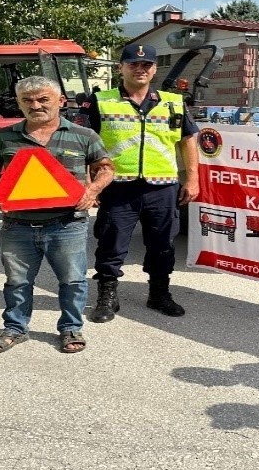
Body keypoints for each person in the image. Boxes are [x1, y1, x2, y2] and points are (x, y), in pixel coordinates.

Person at [0, 76, 114, 354]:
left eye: (43, 99)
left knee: (73, 281)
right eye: (27, 101)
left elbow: (106, 167)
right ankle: (15, 328)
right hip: (17, 224)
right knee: (17, 282)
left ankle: (71, 327)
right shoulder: (4, 137)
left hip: (67, 224)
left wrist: (93, 189)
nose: (35, 105)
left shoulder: (84, 135)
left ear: (60, 101)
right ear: (19, 104)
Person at [85, 43, 200, 322]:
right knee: (111, 243)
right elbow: (86, 141)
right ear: (121, 68)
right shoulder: (103, 101)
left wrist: (193, 178)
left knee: (163, 244)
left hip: (162, 186)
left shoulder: (173, 101)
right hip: (118, 186)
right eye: (133, 64)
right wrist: (91, 183)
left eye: (146, 65)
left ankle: (159, 293)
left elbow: (188, 140)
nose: (140, 69)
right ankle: (107, 296)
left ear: (154, 69)